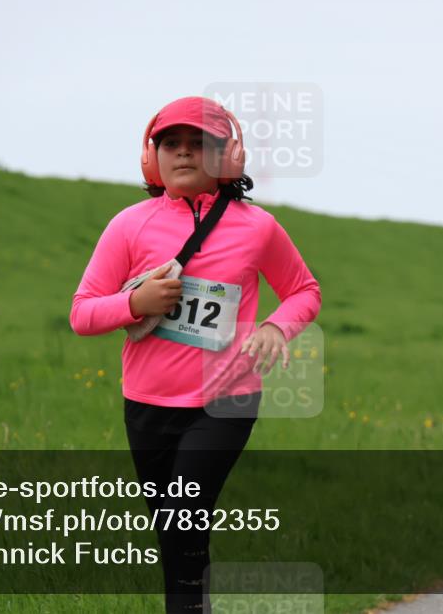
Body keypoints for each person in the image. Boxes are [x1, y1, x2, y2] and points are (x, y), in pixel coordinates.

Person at [70, 96, 321, 612]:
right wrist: (133, 303)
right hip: (147, 403)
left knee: (185, 510)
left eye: (198, 143)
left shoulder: (258, 227)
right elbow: (81, 313)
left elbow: (304, 290)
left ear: (226, 156)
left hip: (225, 401)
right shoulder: (129, 225)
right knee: (173, 528)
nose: (183, 153)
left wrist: (278, 326)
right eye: (171, 143)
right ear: (153, 157)